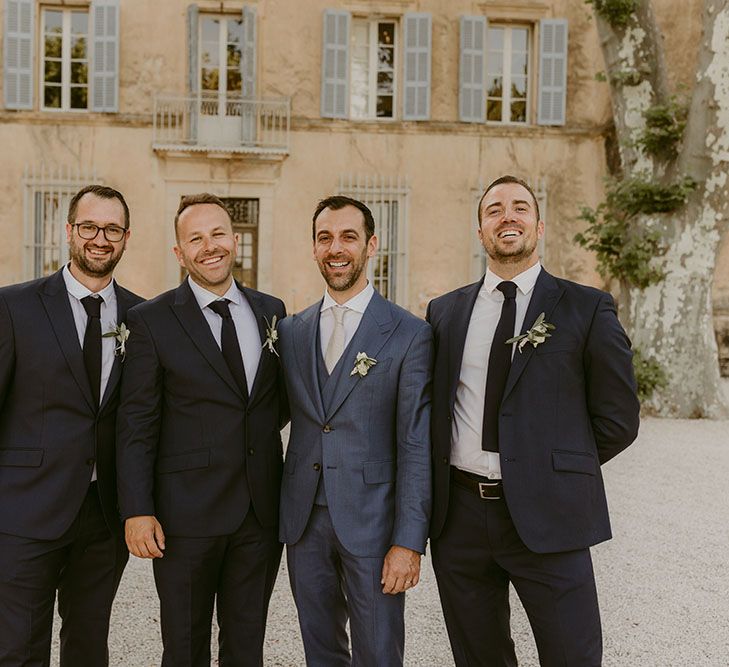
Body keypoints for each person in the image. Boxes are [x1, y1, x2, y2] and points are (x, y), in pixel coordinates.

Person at [427, 175, 640, 667]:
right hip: (460, 519)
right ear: (480, 230)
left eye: (520, 207)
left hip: (551, 514)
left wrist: (552, 466)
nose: (508, 216)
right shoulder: (445, 312)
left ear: (539, 226)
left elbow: (618, 418)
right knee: (479, 657)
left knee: (573, 655)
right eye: (494, 209)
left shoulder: (586, 307)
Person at [115, 193, 287, 667]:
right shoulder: (150, 320)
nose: (209, 246)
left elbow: (274, 405)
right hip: (184, 518)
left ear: (234, 240)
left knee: (247, 645)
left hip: (260, 514)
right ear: (180, 253)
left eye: (217, 234)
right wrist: (137, 509)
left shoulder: (272, 310)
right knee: (185, 647)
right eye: (195, 239)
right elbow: (137, 423)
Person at [278, 195, 433, 666]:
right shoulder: (292, 330)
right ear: (314, 248)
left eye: (348, 236)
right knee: (319, 651)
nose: (336, 248)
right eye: (325, 238)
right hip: (304, 521)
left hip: (375, 522)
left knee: (379, 653)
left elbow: (415, 443)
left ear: (372, 245)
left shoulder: (408, 333)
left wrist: (408, 541)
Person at [0, 185, 142, 666]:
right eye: (89, 227)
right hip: (24, 510)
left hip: (103, 515)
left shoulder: (143, 318)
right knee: (18, 647)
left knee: (88, 645)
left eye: (112, 229)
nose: (100, 239)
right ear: (69, 232)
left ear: (126, 238)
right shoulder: (14, 307)